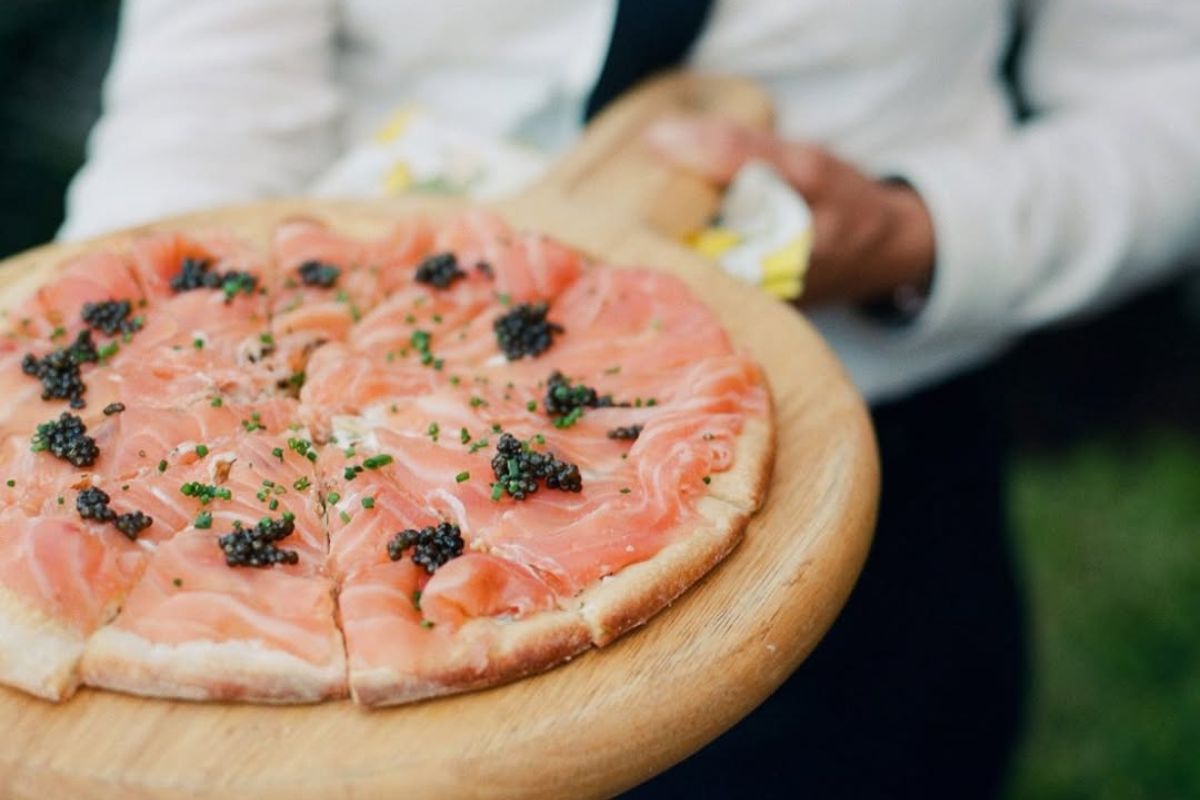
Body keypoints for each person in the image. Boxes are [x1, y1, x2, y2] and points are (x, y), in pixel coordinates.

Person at [60, 1, 1200, 797]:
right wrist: (125, 389)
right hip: (301, 447)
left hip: (856, 455)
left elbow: (1170, 84)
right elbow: (210, 92)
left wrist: (925, 229)